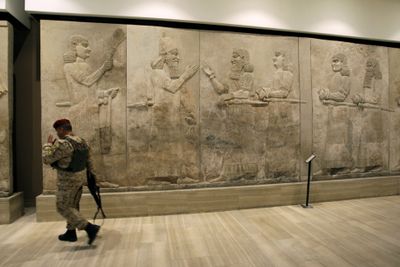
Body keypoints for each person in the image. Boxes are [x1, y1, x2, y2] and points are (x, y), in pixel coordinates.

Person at [42, 119, 100, 245]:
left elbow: (47, 159)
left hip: (67, 180)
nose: (57, 134)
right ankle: (71, 232)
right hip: (80, 178)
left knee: (63, 206)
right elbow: (89, 161)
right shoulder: (82, 141)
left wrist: (48, 145)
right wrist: (93, 177)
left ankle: (89, 228)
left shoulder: (64, 144)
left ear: (62, 129)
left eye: (57, 131)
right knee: (73, 205)